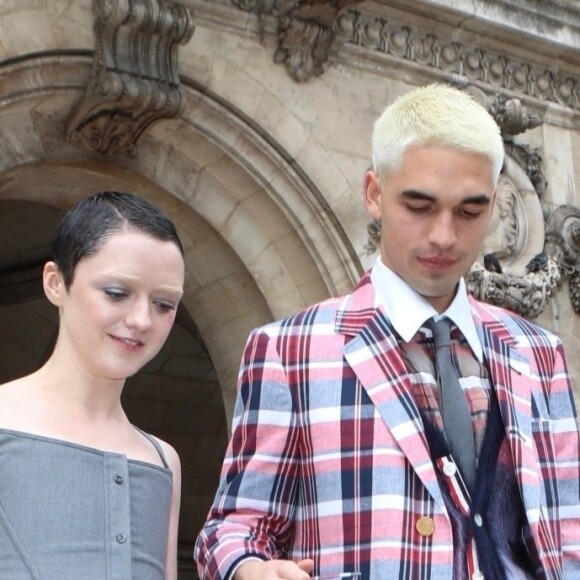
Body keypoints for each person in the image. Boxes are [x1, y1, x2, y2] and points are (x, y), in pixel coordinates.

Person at [194, 84, 580, 579]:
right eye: (418, 206)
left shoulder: (538, 353)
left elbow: (568, 536)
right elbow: (233, 528)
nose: (444, 235)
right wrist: (247, 567)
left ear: (496, 203)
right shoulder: (289, 350)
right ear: (374, 194)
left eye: (469, 211)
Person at [0, 191, 184, 579]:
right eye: (117, 293)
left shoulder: (162, 459)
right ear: (55, 282)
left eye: (164, 304)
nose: (141, 320)